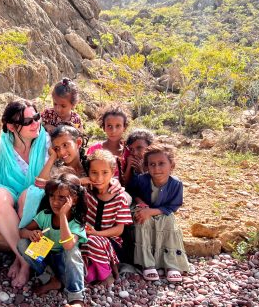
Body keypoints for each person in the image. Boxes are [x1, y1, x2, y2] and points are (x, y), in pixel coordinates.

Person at [0, 100, 50, 288]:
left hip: (40, 208)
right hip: (10, 201)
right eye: (28, 122)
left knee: (29, 194)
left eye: (36, 118)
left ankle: (21, 261)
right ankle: (25, 260)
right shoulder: (0, 152)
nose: (35, 124)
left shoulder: (47, 143)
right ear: (11, 126)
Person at [18, 173, 88, 307]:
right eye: (52, 196)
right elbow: (22, 232)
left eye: (62, 197)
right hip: (48, 264)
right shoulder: (45, 216)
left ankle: (76, 299)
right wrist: (31, 234)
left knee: (71, 251)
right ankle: (51, 279)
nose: (55, 202)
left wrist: (63, 216)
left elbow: (68, 244)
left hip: (67, 267)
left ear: (73, 200)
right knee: (22, 244)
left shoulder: (76, 223)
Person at [129, 144, 189, 282]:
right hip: (143, 209)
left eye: (161, 163)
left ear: (171, 165)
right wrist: (141, 203)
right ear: (147, 166)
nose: (156, 168)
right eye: (152, 164)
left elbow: (173, 206)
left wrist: (152, 211)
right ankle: (147, 263)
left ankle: (171, 264)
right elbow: (132, 193)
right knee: (142, 219)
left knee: (169, 220)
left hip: (162, 212)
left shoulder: (176, 184)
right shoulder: (141, 180)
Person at [81, 150, 132, 285]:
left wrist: (97, 233)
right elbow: (63, 188)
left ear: (112, 172)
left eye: (105, 173)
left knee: (91, 241)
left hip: (111, 243)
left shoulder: (119, 198)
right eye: (94, 173)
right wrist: (81, 181)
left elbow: (119, 230)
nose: (99, 178)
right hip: (88, 237)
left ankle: (107, 276)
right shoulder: (87, 193)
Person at [86, 106, 130, 178]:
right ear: (104, 127)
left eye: (118, 126)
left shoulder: (128, 152)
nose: (113, 131)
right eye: (109, 126)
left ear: (124, 128)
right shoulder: (94, 149)